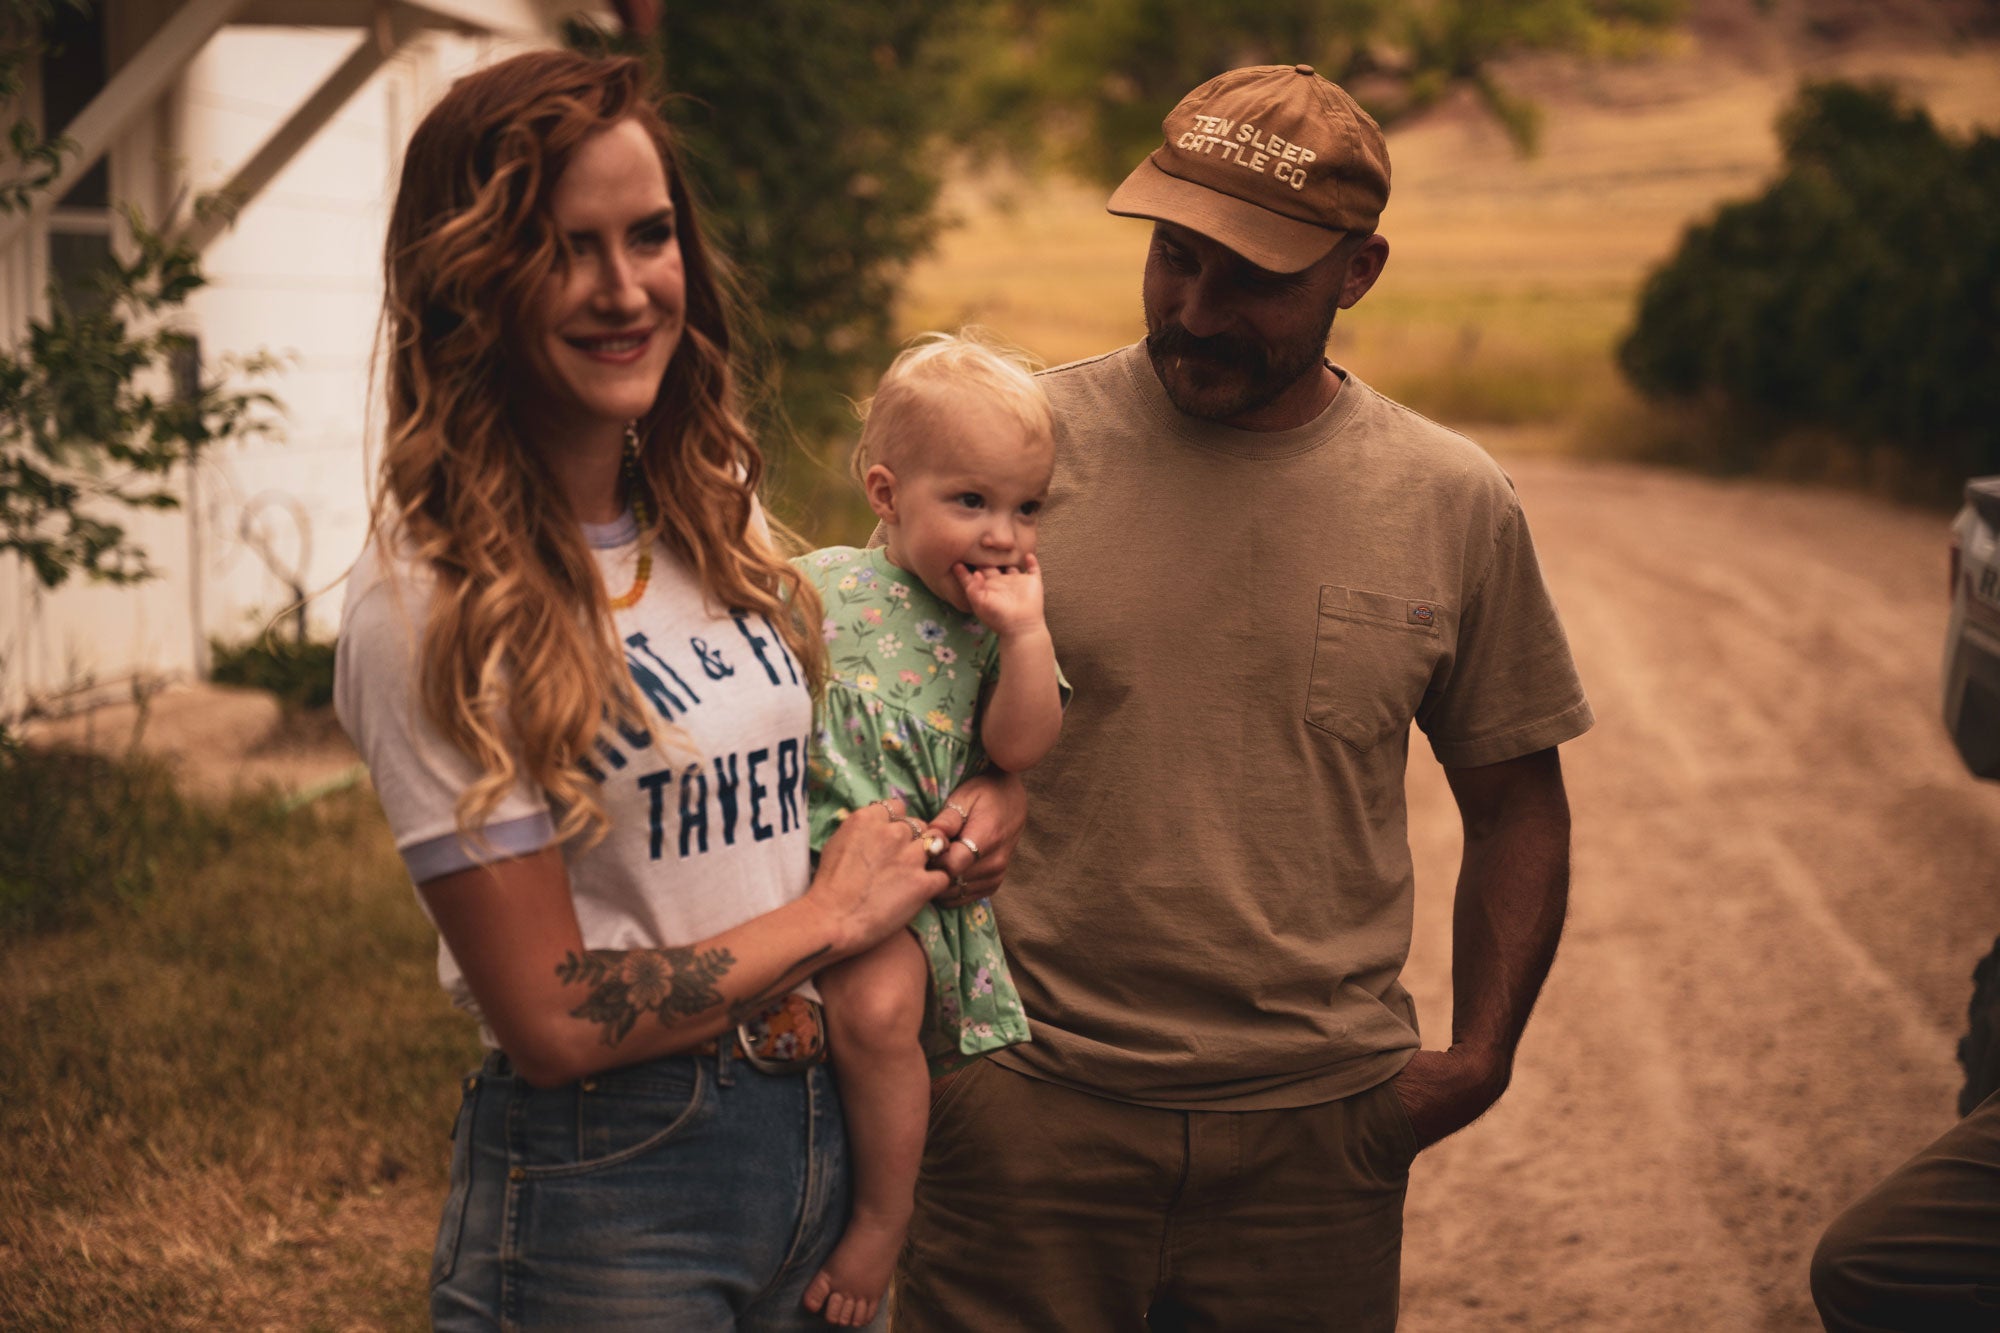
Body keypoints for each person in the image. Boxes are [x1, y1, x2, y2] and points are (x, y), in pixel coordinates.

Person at [891, 64, 1594, 1331]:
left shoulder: (1450, 500)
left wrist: (1475, 1061)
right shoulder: (1010, 459)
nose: (1196, 311)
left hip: (1313, 1153)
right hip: (1021, 1116)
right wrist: (933, 1059)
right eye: (1173, 256)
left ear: (1356, 271)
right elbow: (868, 740)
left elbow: (1515, 806)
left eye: (1253, 279)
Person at [332, 50, 1008, 1330]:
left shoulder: (707, 510)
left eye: (649, 235)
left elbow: (806, 770)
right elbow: (551, 1016)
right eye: (563, 246)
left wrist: (977, 799)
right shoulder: (433, 602)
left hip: (813, 1138)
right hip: (613, 1180)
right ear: (470, 277)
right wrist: (829, 915)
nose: (624, 288)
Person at [791, 332, 1067, 1326]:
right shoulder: (818, 582)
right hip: (792, 865)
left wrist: (1025, 636)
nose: (1002, 534)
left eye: (1025, 507)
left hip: (901, 885)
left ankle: (878, 1223)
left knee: (871, 1017)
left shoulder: (995, 629)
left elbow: (1021, 746)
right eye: (971, 503)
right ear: (884, 493)